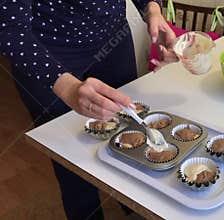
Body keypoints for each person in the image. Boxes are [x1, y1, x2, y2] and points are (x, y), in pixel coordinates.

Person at [0, 0, 177, 219]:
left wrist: (152, 10)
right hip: (48, 54)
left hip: (114, 40)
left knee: (133, 134)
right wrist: (69, 89)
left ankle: (132, 209)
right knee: (73, 161)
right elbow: (10, 30)